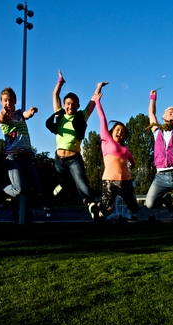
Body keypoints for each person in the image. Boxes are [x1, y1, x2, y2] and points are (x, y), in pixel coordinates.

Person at [46, 70, 107, 218]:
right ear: (64, 105)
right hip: (59, 160)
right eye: (67, 104)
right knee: (65, 182)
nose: (69, 106)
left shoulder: (81, 117)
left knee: (80, 182)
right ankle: (61, 186)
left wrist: (98, 87)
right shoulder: (60, 115)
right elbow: (55, 95)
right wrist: (60, 82)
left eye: (73, 104)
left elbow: (92, 103)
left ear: (77, 105)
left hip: (74, 159)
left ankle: (91, 204)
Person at [93, 91, 139, 221]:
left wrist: (133, 165)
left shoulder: (125, 149)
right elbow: (102, 119)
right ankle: (97, 209)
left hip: (126, 182)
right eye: (118, 130)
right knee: (108, 209)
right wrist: (97, 101)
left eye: (123, 131)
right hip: (109, 181)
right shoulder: (107, 140)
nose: (120, 132)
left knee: (134, 208)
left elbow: (133, 162)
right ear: (112, 131)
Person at [0, 87, 41, 200]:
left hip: (26, 155)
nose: (8, 103)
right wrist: (4, 112)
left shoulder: (19, 113)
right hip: (12, 157)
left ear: (15, 101)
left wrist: (31, 112)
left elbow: (25, 115)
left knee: (36, 187)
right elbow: (1, 118)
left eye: (11, 100)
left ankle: (22, 208)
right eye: (5, 100)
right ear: (1, 102)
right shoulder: (2, 114)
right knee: (19, 188)